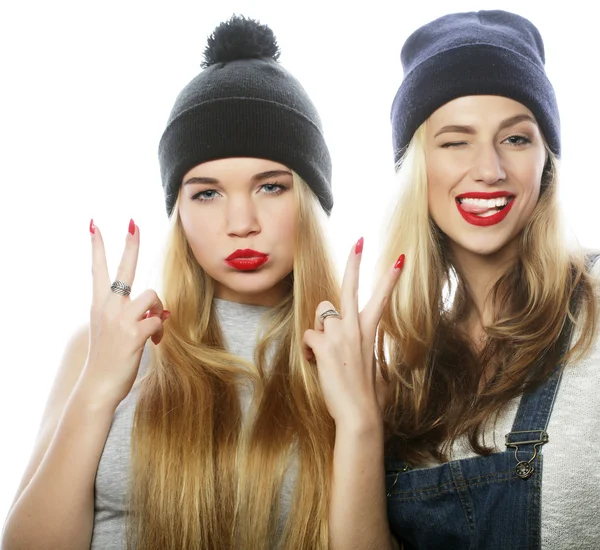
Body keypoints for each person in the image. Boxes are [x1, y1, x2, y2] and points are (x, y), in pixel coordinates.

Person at [2, 15, 400, 550]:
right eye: (206, 193)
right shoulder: (101, 348)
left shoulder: (360, 363)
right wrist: (97, 387)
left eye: (271, 186)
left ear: (309, 200)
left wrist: (359, 424)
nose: (241, 222)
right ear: (179, 212)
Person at [308, 9, 600, 550]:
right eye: (454, 141)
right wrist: (359, 425)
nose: (489, 169)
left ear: (546, 162)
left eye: (516, 139)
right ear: (418, 168)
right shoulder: (409, 376)